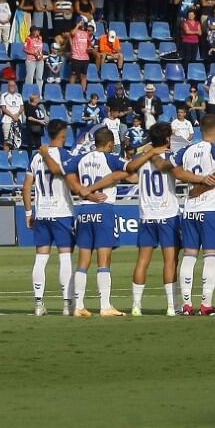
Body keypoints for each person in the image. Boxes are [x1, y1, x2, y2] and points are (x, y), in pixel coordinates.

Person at [126, 122, 196, 317]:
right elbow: (180, 176)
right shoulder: (169, 158)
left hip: (147, 215)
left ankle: (136, 305)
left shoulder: (141, 158)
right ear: (167, 138)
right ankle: (171, 306)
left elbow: (129, 172)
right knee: (170, 261)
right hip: (168, 215)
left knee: (142, 261)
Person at [175, 114, 215, 315]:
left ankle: (186, 305)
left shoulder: (186, 150)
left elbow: (172, 167)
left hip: (190, 209)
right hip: (210, 210)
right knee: (211, 256)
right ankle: (206, 304)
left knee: (189, 256)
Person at [71, 127, 132, 316]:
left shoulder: (81, 159)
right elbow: (130, 170)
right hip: (103, 208)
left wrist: (85, 191)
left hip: (83, 208)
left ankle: (79, 306)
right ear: (110, 144)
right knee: (104, 259)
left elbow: (67, 173)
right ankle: (105, 306)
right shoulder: (111, 159)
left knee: (83, 260)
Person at [22, 120, 77, 316]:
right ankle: (67, 304)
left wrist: (29, 213)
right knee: (65, 258)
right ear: (63, 134)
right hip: (61, 213)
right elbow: (60, 174)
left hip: (42, 213)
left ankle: (38, 304)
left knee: (40, 259)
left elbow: (26, 187)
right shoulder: (65, 156)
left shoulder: (36, 157)